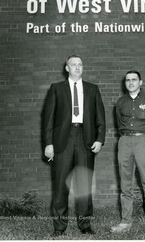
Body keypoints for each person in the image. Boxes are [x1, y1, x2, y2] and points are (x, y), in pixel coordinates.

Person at [43, 55, 106, 237]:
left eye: (80, 65)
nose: (77, 68)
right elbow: (48, 119)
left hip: (86, 139)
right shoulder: (56, 89)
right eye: (73, 65)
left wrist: (99, 139)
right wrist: (49, 144)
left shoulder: (93, 89)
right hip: (63, 140)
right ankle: (59, 227)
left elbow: (100, 118)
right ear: (67, 68)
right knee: (61, 185)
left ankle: (85, 225)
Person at [111, 70, 145, 237]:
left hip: (144, 141)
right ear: (125, 83)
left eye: (134, 80)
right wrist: (126, 139)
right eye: (128, 80)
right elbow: (119, 123)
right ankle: (125, 221)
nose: (131, 82)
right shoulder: (121, 102)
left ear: (140, 82)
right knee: (125, 185)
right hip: (125, 142)